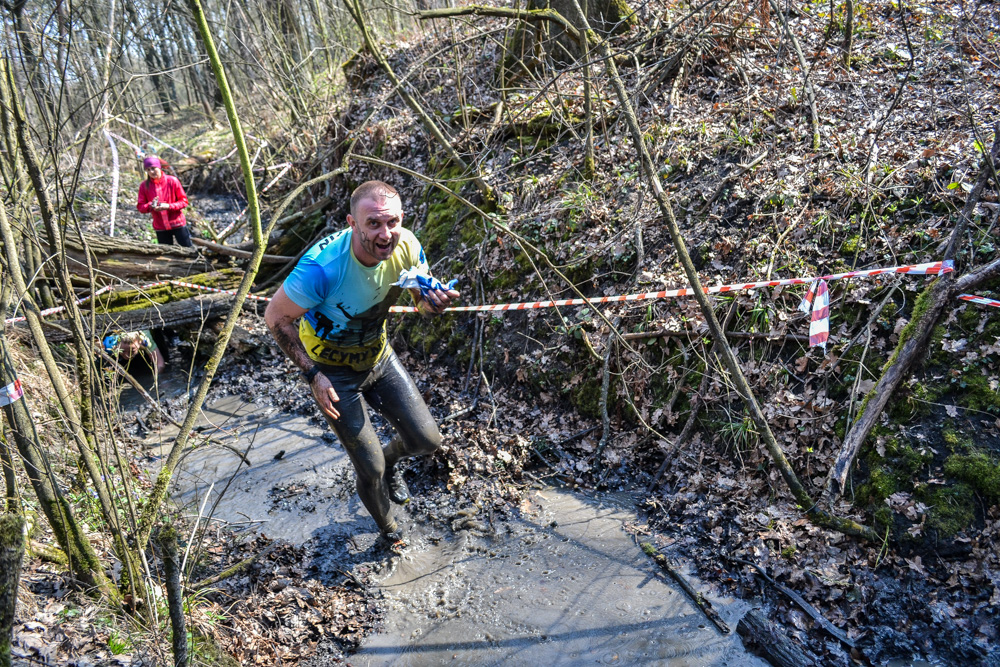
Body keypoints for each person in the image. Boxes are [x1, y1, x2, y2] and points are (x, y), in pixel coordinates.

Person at [264, 181, 459, 550]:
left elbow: (420, 304)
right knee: (370, 469)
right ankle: (389, 531)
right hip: (333, 373)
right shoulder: (322, 268)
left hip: (378, 358)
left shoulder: (407, 246)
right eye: (373, 224)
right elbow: (275, 317)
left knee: (427, 441)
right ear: (352, 223)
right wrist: (313, 375)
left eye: (393, 222)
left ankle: (390, 462)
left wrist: (434, 304)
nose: (385, 235)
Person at [136, 156, 192, 247]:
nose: (151, 172)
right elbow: (140, 207)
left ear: (159, 167)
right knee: (166, 253)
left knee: (189, 250)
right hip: (160, 227)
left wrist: (168, 206)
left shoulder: (172, 181)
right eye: (148, 170)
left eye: (153, 168)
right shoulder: (144, 186)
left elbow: (184, 202)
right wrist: (151, 205)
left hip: (177, 223)